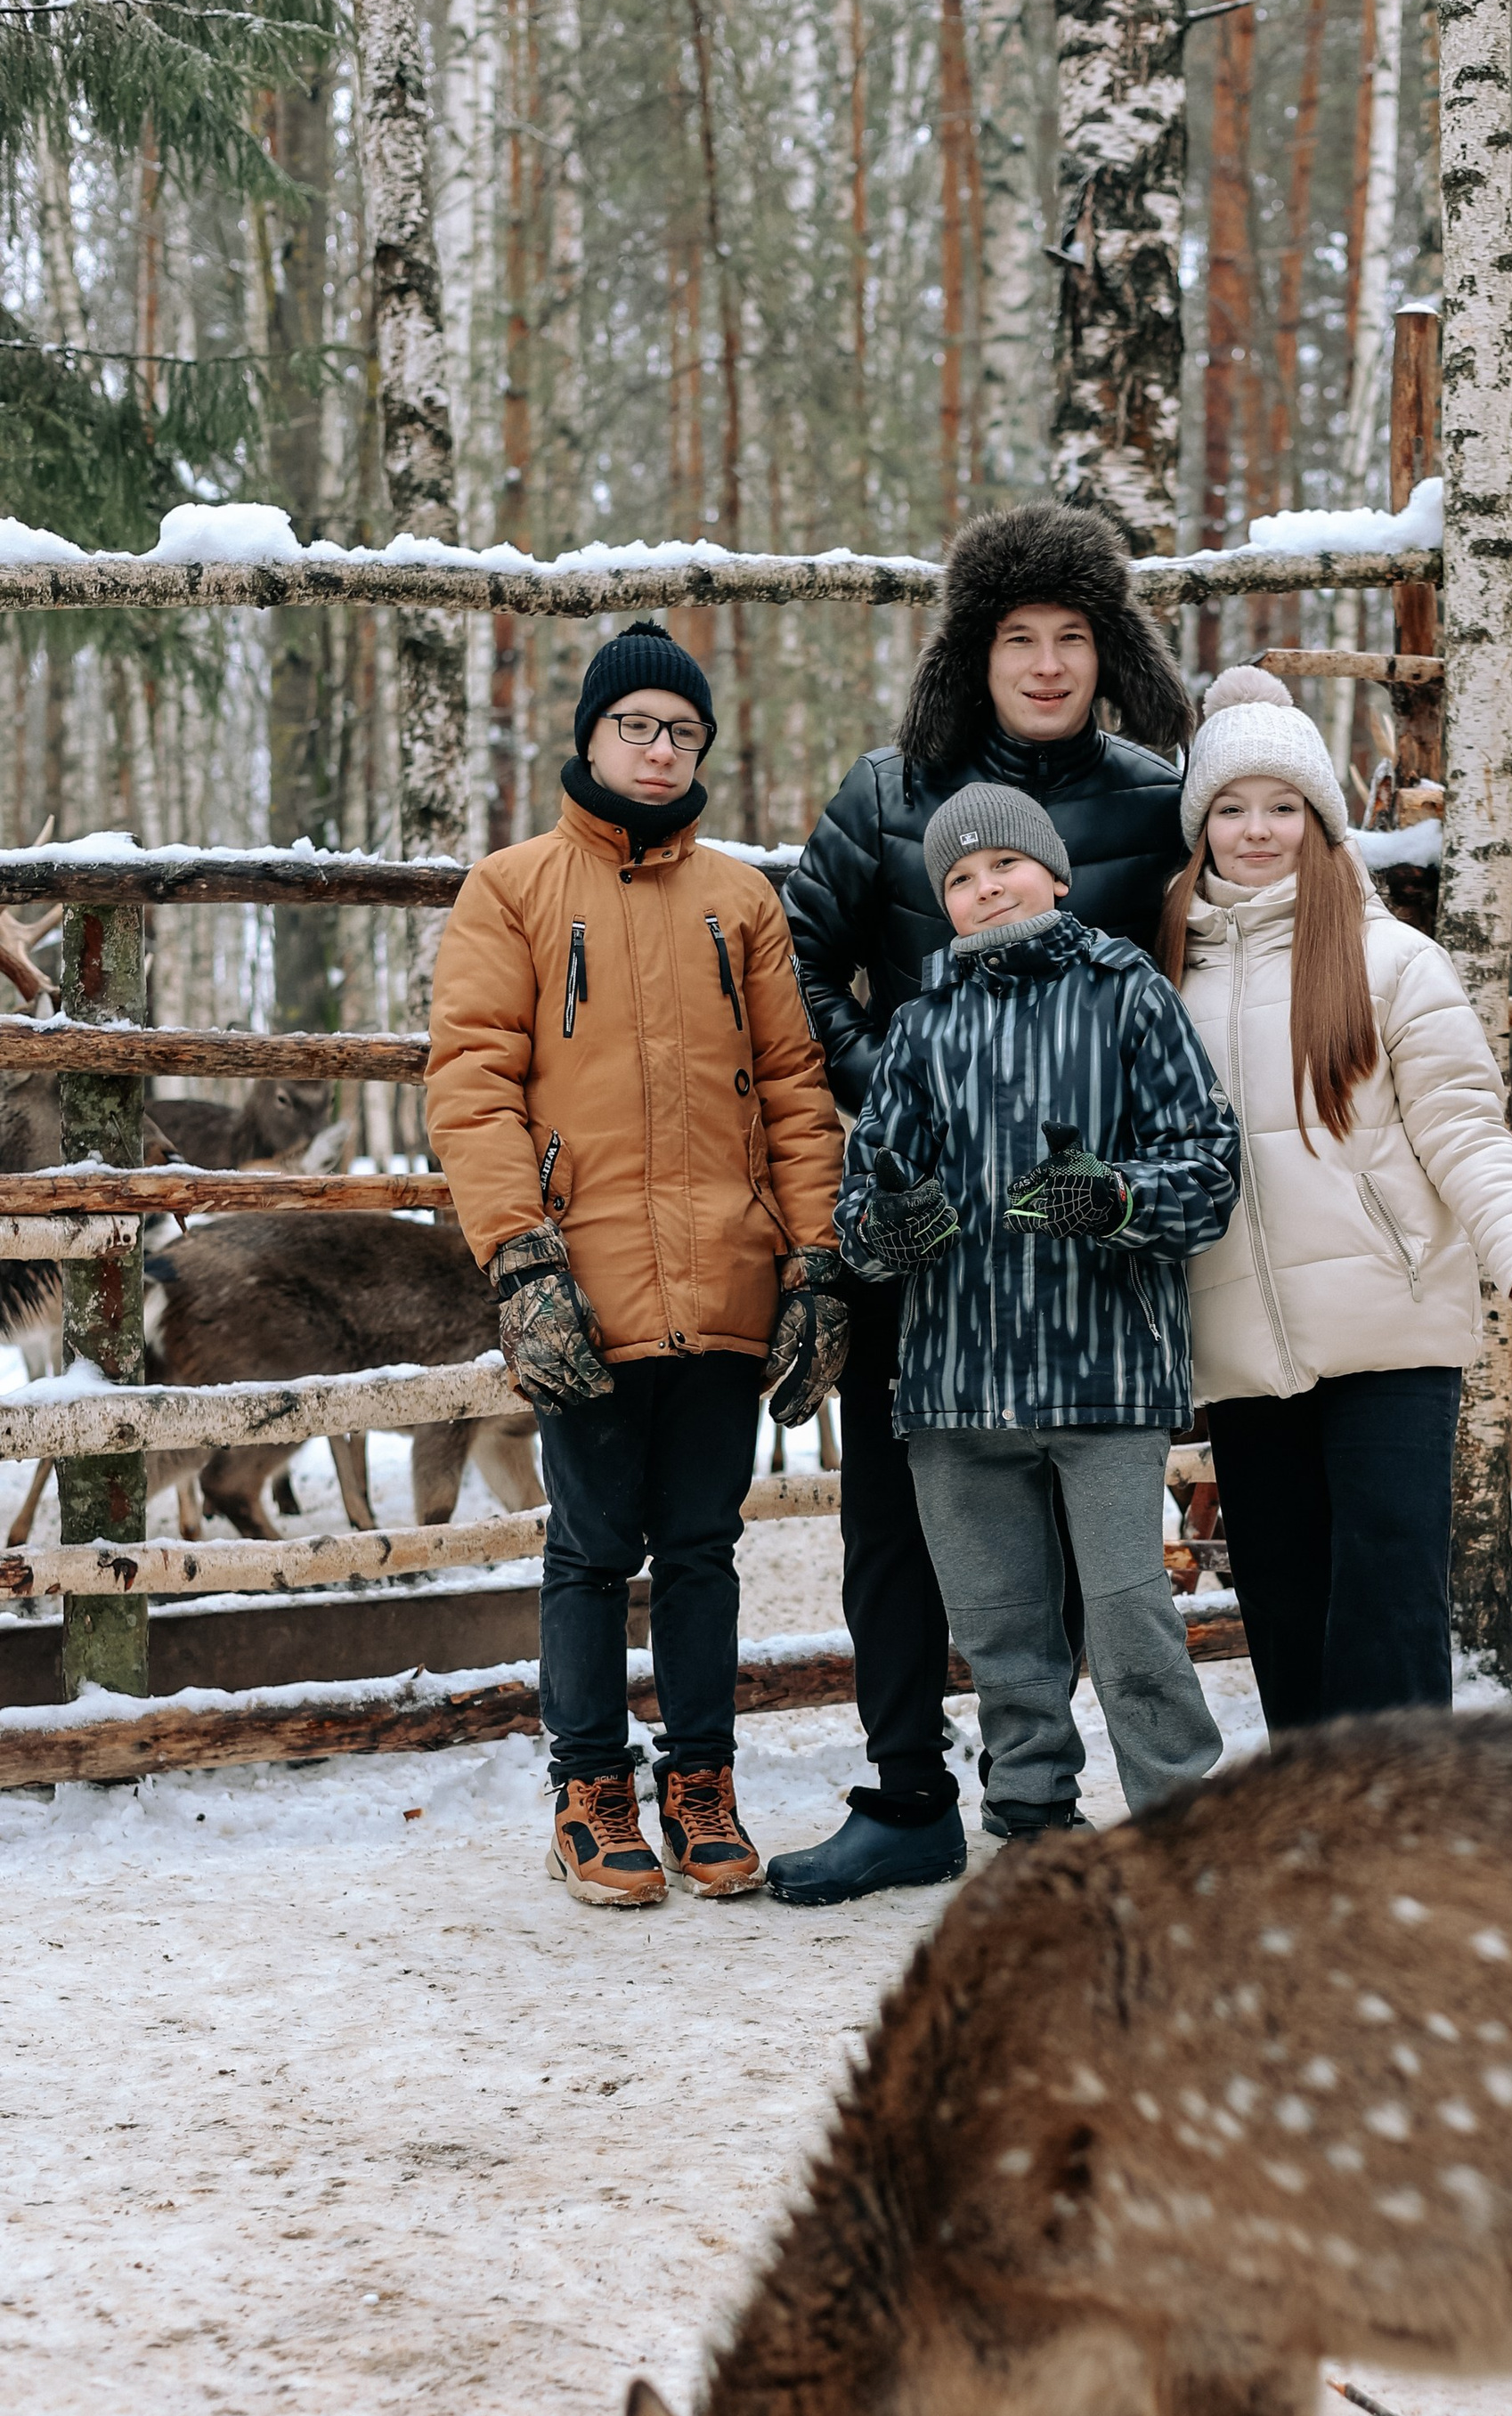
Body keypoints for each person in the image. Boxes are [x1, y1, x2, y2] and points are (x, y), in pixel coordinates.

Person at [772, 503, 1194, 1901]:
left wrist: (1129, 1184)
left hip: (1092, 1262)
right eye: (1020, 636)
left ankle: (1098, 1810)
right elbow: (799, 953)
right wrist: (888, 1067)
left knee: (1100, 1564)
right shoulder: (890, 790)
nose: (1050, 662)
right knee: (904, 1530)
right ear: (976, 649)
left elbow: (1250, 892)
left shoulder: (1152, 793)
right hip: (938, 1254)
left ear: (1109, 646)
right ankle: (910, 1796)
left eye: (1076, 635)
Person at [427, 620, 846, 1908]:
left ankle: (700, 1781)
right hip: (585, 1281)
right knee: (593, 1548)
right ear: (591, 738)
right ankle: (589, 1791)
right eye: (637, 728)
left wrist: (817, 1259)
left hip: (725, 1277)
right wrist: (520, 1259)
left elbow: (792, 1087)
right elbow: (473, 1081)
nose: (660, 752)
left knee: (706, 1545)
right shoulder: (514, 890)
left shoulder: (741, 901)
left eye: (682, 733)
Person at [1161, 667, 1512, 1731]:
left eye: (1283, 808)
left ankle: (1402, 1825)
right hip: (1241, 1339)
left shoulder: (1392, 961)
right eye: (1231, 808)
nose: (1257, 831)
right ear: (1200, 823)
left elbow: (1460, 1124)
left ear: (1321, 820)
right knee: (1284, 1589)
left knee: (1390, 1584)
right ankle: (1317, 1822)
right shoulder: (1162, 976)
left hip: (1391, 1328)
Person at [833, 786, 1240, 1840]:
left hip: (1104, 1369)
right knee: (1002, 1626)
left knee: (1127, 1616)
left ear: (1053, 875)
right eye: (958, 880)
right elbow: (860, 1212)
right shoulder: (920, 1030)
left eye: (1002, 866)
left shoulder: (1127, 996)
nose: (983, 889)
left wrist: (1112, 1200)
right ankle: (1028, 1809)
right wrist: (897, 1226)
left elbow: (1207, 1168)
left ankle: (1179, 1826)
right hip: (959, 1381)